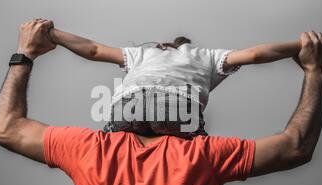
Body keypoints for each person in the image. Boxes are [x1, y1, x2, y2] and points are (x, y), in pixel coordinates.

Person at [0, 18, 322, 185]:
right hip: (180, 121)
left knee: (84, 184)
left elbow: (92, 49)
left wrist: (44, 39)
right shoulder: (207, 62)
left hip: (127, 118)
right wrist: (308, 60)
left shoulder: (139, 57)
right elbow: (294, 145)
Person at [48, 28, 301, 139]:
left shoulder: (144, 53)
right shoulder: (209, 55)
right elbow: (255, 54)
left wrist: (53, 34)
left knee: (100, 152)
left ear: (164, 47)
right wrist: (301, 46)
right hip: (179, 108)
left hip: (130, 105)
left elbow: (93, 50)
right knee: (202, 157)